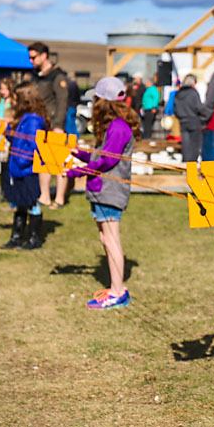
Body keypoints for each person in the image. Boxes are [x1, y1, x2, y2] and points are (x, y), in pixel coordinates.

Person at [70, 76, 141, 310]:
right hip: (102, 191)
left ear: (103, 101)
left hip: (110, 191)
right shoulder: (113, 126)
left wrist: (76, 172)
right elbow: (100, 156)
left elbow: (107, 162)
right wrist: (80, 154)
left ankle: (118, 293)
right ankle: (115, 287)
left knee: (111, 240)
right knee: (105, 239)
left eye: (96, 100)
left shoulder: (118, 127)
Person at [1, 82, 49, 250]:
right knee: (20, 202)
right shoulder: (23, 118)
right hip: (17, 167)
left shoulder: (34, 121)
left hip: (27, 169)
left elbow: (35, 145)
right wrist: (8, 130)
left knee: (31, 202)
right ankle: (17, 236)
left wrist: (23, 161)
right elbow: (15, 139)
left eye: (16, 99)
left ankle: (35, 238)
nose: (13, 102)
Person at [28, 42, 71, 208]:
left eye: (34, 57)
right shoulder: (36, 76)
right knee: (42, 162)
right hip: (40, 125)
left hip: (55, 126)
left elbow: (62, 101)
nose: (31, 61)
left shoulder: (57, 76)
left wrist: (59, 125)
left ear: (44, 55)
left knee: (59, 163)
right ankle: (44, 196)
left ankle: (59, 199)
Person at [173, 73, 204, 162]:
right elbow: (199, 108)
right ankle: (192, 163)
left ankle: (186, 163)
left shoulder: (178, 93)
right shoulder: (193, 93)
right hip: (194, 121)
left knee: (186, 144)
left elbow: (175, 108)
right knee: (195, 144)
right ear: (192, 83)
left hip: (182, 121)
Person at [140, 73, 160, 138]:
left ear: (150, 83)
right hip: (146, 109)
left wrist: (154, 107)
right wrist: (143, 107)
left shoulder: (153, 89)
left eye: (146, 82)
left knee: (148, 124)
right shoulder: (147, 90)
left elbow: (156, 98)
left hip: (150, 109)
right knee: (145, 124)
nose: (145, 83)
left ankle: (147, 137)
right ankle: (145, 136)